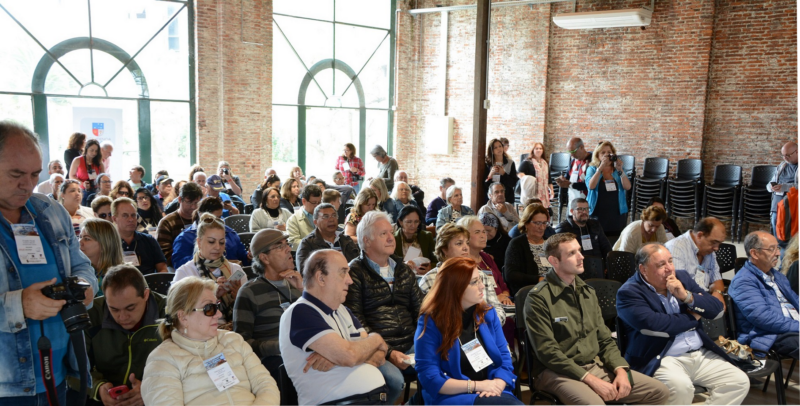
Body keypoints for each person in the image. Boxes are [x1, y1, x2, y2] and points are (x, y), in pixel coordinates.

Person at [0, 121, 97, 404]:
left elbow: (80, 265)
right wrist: (18, 305)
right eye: (16, 174)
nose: (27, 184)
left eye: (34, 174)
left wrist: (85, 286)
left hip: (59, 374)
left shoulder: (50, 210)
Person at [526, 234, 669, 405]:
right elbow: (548, 353)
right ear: (554, 261)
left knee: (658, 391)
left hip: (592, 365)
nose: (581, 257)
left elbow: (604, 339)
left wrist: (621, 369)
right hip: (556, 372)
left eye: (579, 250)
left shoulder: (587, 292)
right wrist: (590, 379)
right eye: (572, 253)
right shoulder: (538, 298)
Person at [617, 243, 749, 405]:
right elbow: (658, 325)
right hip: (662, 357)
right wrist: (694, 317)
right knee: (681, 388)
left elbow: (716, 308)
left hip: (699, 353)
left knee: (739, 381)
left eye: (670, 261)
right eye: (661, 265)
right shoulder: (629, 292)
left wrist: (687, 297)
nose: (669, 268)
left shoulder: (682, 278)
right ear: (643, 269)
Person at [142, 276, 280, 405]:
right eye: (209, 308)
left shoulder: (233, 340)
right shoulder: (163, 359)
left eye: (217, 306)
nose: (218, 314)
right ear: (183, 317)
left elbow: (266, 385)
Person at [279, 249, 388, 405]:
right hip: (340, 402)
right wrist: (376, 339)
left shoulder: (343, 310)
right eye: (343, 273)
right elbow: (350, 356)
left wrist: (337, 358)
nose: (350, 280)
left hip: (368, 399)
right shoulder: (301, 312)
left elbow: (380, 357)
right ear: (321, 278)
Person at [415, 257, 523, 405]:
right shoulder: (431, 322)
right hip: (452, 395)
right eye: (474, 282)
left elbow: (505, 356)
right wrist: (477, 386)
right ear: (455, 288)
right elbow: (430, 377)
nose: (482, 286)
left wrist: (498, 383)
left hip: (491, 390)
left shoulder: (488, 313)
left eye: (480, 280)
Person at [345, 211, 423, 404]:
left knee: (444, 360)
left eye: (391, 232)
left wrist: (425, 339)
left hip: (411, 342)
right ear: (367, 241)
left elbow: (421, 310)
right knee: (394, 381)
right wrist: (388, 352)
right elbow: (356, 321)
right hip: (376, 348)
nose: (391, 238)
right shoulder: (354, 272)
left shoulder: (403, 269)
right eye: (383, 234)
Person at [86, 264, 165, 406]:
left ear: (146, 295)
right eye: (114, 309)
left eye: (130, 308)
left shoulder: (170, 313)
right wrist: (97, 387)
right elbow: (72, 368)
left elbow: (189, 366)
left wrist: (153, 388)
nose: (122, 317)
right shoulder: (91, 315)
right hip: (102, 399)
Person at [233, 229, 304, 378]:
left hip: (306, 352)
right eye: (280, 246)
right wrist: (278, 346)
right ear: (265, 258)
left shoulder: (299, 283)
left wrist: (303, 291)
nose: (288, 249)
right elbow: (241, 343)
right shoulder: (249, 292)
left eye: (287, 244)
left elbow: (320, 321)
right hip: (275, 362)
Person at [730, 231, 799, 360]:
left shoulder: (777, 276)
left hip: (790, 327)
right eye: (772, 249)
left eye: (778, 248)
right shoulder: (743, 281)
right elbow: (763, 318)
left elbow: (796, 301)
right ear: (754, 253)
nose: (778, 253)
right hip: (768, 334)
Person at [174, 213, 245, 322]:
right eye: (211, 242)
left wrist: (240, 298)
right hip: (199, 329)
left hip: (234, 327)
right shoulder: (185, 273)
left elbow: (249, 311)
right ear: (199, 242)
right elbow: (177, 312)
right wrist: (212, 297)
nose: (217, 247)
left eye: (222, 242)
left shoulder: (236, 270)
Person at [458, 216, 514, 345]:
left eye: (484, 231)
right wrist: (497, 298)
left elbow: (502, 283)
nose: (484, 235)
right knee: (508, 323)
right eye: (477, 232)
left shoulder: (486, 257)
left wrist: (505, 295)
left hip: (503, 304)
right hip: (482, 309)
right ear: (465, 237)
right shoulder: (464, 264)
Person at [172, 197, 251, 269]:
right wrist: (205, 258)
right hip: (199, 276)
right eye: (211, 219)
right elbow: (179, 264)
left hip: (231, 275)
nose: (216, 222)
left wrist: (249, 257)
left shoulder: (230, 233)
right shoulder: (184, 238)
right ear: (201, 215)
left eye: (219, 218)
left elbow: (243, 259)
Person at [665, 217, 726, 305]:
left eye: (719, 243)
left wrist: (718, 293)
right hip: (684, 302)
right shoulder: (676, 247)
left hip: (703, 300)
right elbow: (679, 288)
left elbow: (717, 279)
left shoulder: (709, 252)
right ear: (699, 235)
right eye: (713, 242)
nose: (717, 248)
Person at [585, 141, 631, 241]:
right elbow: (591, 186)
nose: (606, 155)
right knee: (597, 240)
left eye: (609, 152)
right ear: (597, 155)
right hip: (597, 212)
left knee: (615, 241)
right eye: (603, 152)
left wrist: (620, 170)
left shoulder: (617, 169)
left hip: (617, 213)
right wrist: (600, 168)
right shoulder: (592, 169)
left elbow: (627, 187)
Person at [296, 203, 359, 273]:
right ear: (315, 222)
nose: (331, 219)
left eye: (334, 215)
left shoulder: (346, 240)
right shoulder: (307, 244)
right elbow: (305, 273)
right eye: (326, 217)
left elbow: (357, 266)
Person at [111, 197, 167, 275]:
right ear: (114, 219)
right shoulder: (108, 243)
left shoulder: (149, 240)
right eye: (125, 215)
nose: (131, 219)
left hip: (148, 281)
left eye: (133, 215)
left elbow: (163, 269)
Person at [504, 204, 552, 295]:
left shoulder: (551, 243)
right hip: (531, 291)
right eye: (537, 223)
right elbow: (511, 274)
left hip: (553, 287)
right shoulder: (517, 244)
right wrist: (538, 279)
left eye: (544, 223)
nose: (542, 227)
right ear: (526, 223)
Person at [157, 182, 203, 268]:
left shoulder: (202, 220)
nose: (193, 207)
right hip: (177, 267)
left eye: (196, 203)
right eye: (189, 202)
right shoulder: (167, 223)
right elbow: (164, 255)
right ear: (179, 199)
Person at [79, 218, 124, 289]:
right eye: (80, 237)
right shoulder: (77, 271)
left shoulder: (123, 276)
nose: (79, 242)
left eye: (87, 239)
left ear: (104, 245)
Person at [394, 206, 436, 275]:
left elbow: (436, 261)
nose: (413, 225)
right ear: (400, 222)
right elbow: (390, 265)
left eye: (416, 222)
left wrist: (429, 268)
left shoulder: (427, 237)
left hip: (424, 276)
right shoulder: (393, 240)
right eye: (409, 222)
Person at [769, 141, 798, 243]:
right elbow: (769, 183)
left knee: (788, 235)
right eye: (783, 155)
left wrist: (784, 187)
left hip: (792, 205)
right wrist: (771, 187)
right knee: (775, 229)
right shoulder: (782, 165)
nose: (785, 158)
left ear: (797, 151)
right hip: (777, 204)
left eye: (788, 155)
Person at [68, 138, 106, 206]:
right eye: (91, 150)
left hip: (96, 190)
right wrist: (82, 183)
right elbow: (71, 176)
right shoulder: (77, 160)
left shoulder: (99, 162)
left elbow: (103, 176)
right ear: (86, 149)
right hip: (82, 190)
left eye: (96, 151)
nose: (94, 153)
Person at [555, 137, 593, 203]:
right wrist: (563, 180)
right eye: (569, 152)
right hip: (573, 199)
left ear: (581, 147)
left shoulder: (592, 161)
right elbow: (568, 176)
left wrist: (571, 185)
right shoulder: (573, 161)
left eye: (573, 151)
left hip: (587, 200)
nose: (571, 155)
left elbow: (590, 184)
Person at [517, 142, 553, 207]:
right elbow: (519, 173)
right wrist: (528, 179)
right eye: (536, 148)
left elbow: (549, 179)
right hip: (531, 192)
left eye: (540, 148)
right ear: (533, 150)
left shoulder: (545, 163)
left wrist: (552, 190)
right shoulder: (527, 161)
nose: (539, 150)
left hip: (543, 193)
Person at [286, 184, 321, 250]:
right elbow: (293, 243)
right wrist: (314, 243)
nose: (317, 206)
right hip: (305, 253)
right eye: (314, 202)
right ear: (304, 201)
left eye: (319, 202)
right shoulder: (293, 220)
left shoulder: (324, 216)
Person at [484, 138, 517, 205]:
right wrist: (490, 175)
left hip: (507, 199)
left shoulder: (510, 163)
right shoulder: (488, 164)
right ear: (492, 151)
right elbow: (485, 185)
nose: (499, 149)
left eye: (500, 146)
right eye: (495, 147)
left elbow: (513, 183)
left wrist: (504, 174)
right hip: (492, 200)